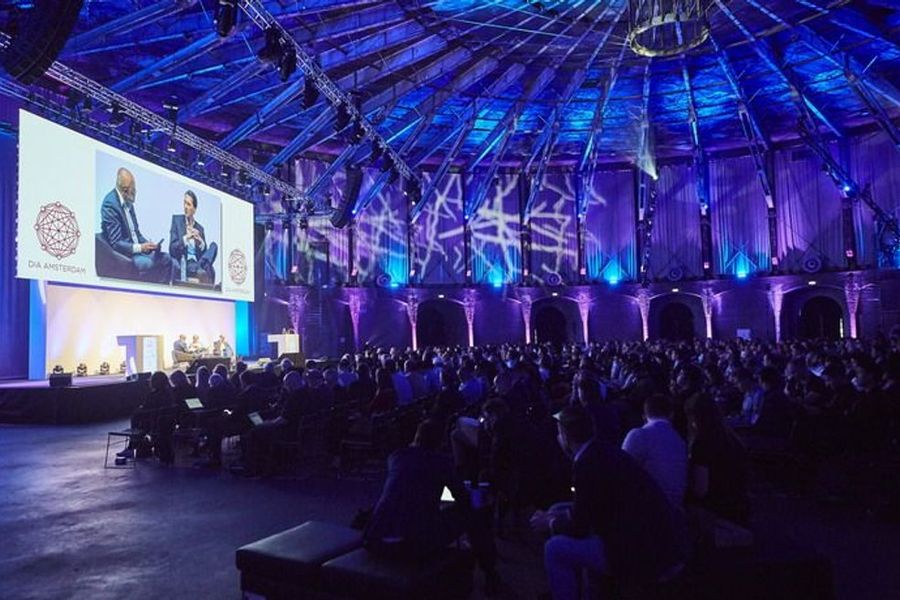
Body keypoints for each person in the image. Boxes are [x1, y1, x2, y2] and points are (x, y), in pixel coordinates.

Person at [530, 405, 684, 600]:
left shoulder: (586, 464)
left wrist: (550, 522)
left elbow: (580, 527)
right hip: (654, 537)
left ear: (566, 436)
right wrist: (555, 515)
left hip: (639, 550)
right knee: (557, 509)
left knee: (554, 549)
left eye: (559, 433)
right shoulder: (602, 450)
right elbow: (591, 506)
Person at [364, 419, 501, 595]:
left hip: (376, 538)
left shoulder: (396, 457)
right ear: (440, 442)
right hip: (413, 543)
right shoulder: (441, 462)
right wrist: (483, 496)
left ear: (416, 436)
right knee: (474, 513)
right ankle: (490, 572)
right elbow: (463, 498)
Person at [100, 167, 174, 283]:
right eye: (133, 189)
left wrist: (149, 245)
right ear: (125, 189)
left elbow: (136, 233)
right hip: (125, 255)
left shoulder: (128, 203)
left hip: (137, 252)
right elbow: (116, 243)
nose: (135, 191)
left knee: (166, 258)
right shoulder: (110, 204)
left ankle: (160, 292)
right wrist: (141, 247)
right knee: (149, 263)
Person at [685, 393, 749, 526]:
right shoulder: (732, 439)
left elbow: (701, 490)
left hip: (716, 509)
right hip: (739, 506)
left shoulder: (702, 443)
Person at [622, 394, 688, 511]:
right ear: (671, 415)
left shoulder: (638, 435)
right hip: (675, 509)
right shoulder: (680, 441)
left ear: (644, 416)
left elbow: (621, 473)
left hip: (646, 510)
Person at [169, 190, 218, 284]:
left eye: (188, 204)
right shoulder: (176, 220)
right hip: (186, 262)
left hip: (198, 262)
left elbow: (205, 253)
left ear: (194, 209)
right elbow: (172, 248)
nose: (185, 207)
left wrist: (200, 242)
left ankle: (201, 264)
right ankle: (201, 265)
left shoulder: (200, 228)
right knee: (205, 267)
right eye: (184, 203)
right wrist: (186, 238)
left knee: (214, 245)